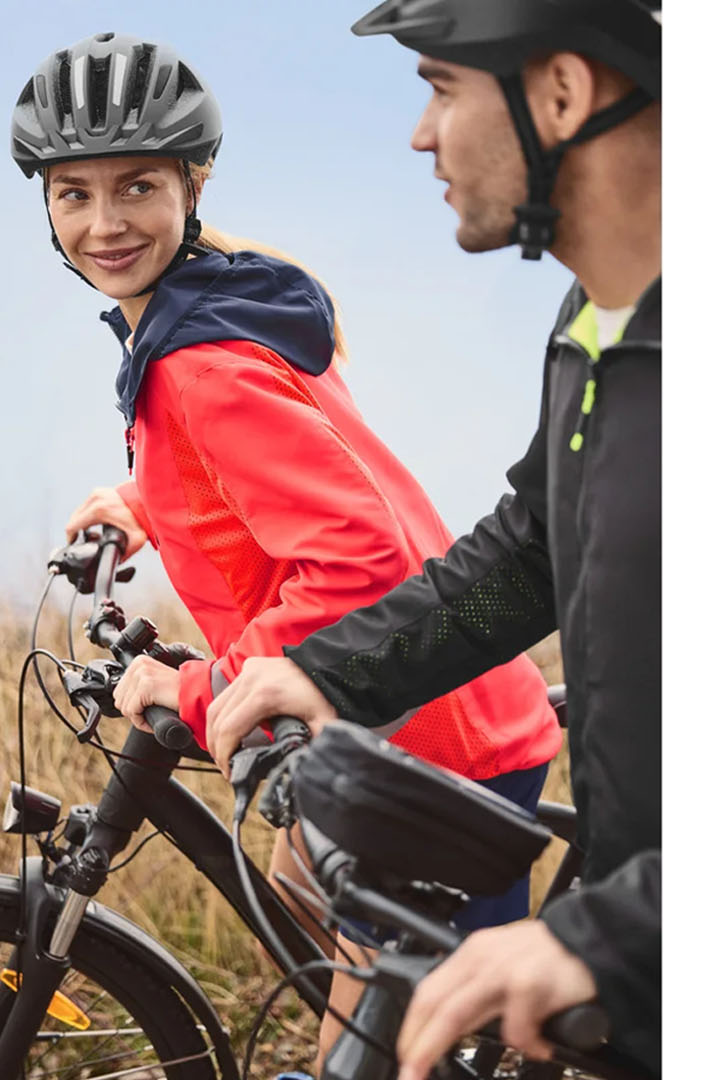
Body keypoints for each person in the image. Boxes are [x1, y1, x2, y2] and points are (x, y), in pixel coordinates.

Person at [8, 30, 566, 1070]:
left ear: (194, 177)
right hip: (417, 719)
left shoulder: (199, 364)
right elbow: (303, 480)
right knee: (315, 913)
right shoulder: (224, 307)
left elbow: (354, 558)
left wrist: (199, 685)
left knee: (372, 1048)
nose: (105, 221)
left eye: (136, 186)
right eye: (72, 193)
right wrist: (147, 503)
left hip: (423, 744)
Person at [192, 2, 664, 1075]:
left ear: (559, 94)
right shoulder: (593, 328)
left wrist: (612, 931)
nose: (419, 134)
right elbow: (532, 552)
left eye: (442, 88)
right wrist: (330, 675)